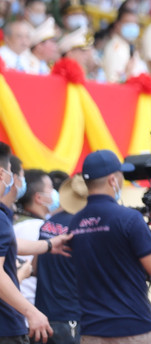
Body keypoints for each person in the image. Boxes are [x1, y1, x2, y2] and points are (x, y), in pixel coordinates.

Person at [68, 150, 151, 343]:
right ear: (112, 180)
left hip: (92, 332)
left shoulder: (75, 223)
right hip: (134, 330)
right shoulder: (128, 218)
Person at [0, 146, 70, 343]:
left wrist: (49, 245)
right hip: (6, 327)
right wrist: (31, 311)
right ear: (3, 174)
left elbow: (12, 244)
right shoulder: (2, 219)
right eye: (13, 174)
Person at [35, 176, 89, 344]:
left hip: (43, 319)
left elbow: (35, 267)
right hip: (71, 319)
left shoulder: (48, 223)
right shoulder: (83, 227)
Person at [13, 170, 58, 305]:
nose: (55, 193)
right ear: (39, 198)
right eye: (50, 188)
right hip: (33, 305)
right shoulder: (43, 228)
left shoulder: (12, 224)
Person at [102, 8, 147, 84]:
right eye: (128, 23)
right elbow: (113, 81)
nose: (132, 26)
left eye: (135, 23)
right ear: (117, 25)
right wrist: (127, 73)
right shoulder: (115, 48)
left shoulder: (128, 46)